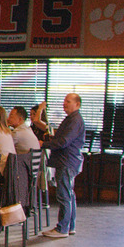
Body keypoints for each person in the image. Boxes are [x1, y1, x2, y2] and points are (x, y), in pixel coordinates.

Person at [41, 93, 85, 238]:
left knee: (64, 195)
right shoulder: (71, 119)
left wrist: (44, 144)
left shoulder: (75, 120)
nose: (64, 103)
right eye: (64, 101)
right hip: (69, 160)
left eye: (68, 101)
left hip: (67, 161)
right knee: (69, 194)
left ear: (77, 104)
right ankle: (69, 226)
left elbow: (64, 142)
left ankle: (62, 228)